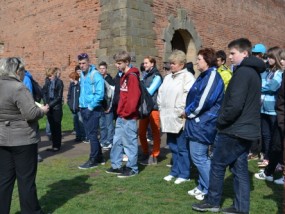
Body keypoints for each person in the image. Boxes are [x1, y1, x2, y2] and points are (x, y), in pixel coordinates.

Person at [192, 38, 266, 213]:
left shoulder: (244, 72)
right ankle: (241, 208)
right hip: (244, 130)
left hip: (234, 130)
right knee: (239, 169)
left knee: (217, 164)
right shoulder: (253, 72)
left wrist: (221, 121)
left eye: (233, 53)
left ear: (245, 53)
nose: (230, 57)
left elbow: (235, 104)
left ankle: (213, 201)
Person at [0, 57, 49, 214]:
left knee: (4, 180)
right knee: (26, 180)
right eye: (22, 71)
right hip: (22, 140)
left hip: (2, 138)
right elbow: (31, 113)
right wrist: (43, 110)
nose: (23, 74)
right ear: (16, 71)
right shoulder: (18, 88)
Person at [184, 48, 224, 201]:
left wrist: (189, 113)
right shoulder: (204, 75)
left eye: (199, 59)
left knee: (199, 157)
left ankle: (210, 189)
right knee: (199, 156)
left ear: (207, 60)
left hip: (204, 122)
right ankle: (202, 185)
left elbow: (204, 100)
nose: (196, 62)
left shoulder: (212, 75)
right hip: (199, 122)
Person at [157, 50, 195, 184]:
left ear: (182, 64)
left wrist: (181, 111)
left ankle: (184, 174)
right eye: (170, 63)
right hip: (168, 117)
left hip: (180, 118)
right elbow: (160, 94)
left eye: (173, 63)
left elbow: (189, 96)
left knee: (182, 147)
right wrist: (161, 108)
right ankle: (175, 171)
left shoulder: (187, 77)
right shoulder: (167, 78)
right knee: (172, 146)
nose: (171, 66)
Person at [106, 50, 141, 178]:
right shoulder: (123, 76)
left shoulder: (132, 76)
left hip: (129, 117)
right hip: (121, 116)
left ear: (127, 62)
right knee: (117, 141)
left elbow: (133, 98)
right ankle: (116, 165)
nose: (117, 65)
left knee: (130, 143)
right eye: (116, 63)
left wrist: (127, 112)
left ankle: (132, 168)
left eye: (119, 63)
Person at [255, 48, 285, 184]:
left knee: (276, 140)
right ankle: (267, 159)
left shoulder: (279, 73)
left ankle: (275, 163)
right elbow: (262, 83)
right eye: (268, 57)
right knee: (267, 136)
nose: (269, 60)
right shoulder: (268, 71)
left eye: (272, 57)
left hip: (274, 110)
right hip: (265, 108)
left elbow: (272, 87)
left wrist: (261, 86)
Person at [77, 53, 105, 169]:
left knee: (92, 135)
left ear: (89, 62)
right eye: (80, 64)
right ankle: (99, 157)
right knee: (90, 134)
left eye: (83, 63)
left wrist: (90, 107)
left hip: (92, 109)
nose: (82, 66)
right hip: (84, 108)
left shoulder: (95, 75)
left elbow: (100, 94)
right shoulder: (82, 75)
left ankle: (93, 159)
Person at [139, 56, 163, 165]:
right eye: (144, 63)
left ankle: (155, 154)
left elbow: (150, 91)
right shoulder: (144, 76)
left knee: (155, 132)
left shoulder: (157, 76)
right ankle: (145, 152)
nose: (144, 65)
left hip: (153, 108)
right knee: (141, 132)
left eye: (146, 63)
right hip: (144, 108)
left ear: (152, 64)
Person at [42, 67, 64, 152]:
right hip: (49, 107)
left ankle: (57, 145)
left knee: (57, 127)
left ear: (54, 74)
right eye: (48, 76)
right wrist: (45, 103)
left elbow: (59, 97)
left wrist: (50, 105)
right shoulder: (47, 82)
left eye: (50, 76)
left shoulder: (59, 82)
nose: (49, 77)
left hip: (56, 108)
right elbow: (44, 93)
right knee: (51, 127)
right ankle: (54, 144)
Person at [98, 61, 115, 150]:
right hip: (101, 107)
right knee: (102, 125)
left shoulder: (109, 80)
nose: (102, 70)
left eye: (103, 68)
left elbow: (112, 95)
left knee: (109, 125)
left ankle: (110, 141)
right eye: (100, 69)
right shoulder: (98, 79)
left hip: (108, 107)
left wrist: (109, 107)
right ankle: (103, 141)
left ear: (106, 69)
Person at [67, 70, 86, 142]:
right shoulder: (71, 86)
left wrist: (79, 105)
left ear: (74, 78)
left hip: (79, 108)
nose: (69, 79)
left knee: (81, 122)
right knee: (75, 122)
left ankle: (83, 136)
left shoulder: (80, 86)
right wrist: (70, 104)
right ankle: (78, 136)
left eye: (70, 78)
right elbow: (69, 96)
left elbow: (81, 96)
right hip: (73, 108)